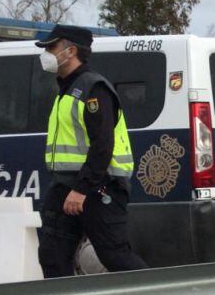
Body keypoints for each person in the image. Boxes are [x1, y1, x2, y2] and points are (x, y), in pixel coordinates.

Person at [36, 24, 148, 278]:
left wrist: (81, 189)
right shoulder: (65, 90)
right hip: (64, 187)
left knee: (114, 255)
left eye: (51, 47)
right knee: (52, 255)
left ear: (71, 51)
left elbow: (102, 145)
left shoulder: (93, 88)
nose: (46, 53)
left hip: (98, 187)